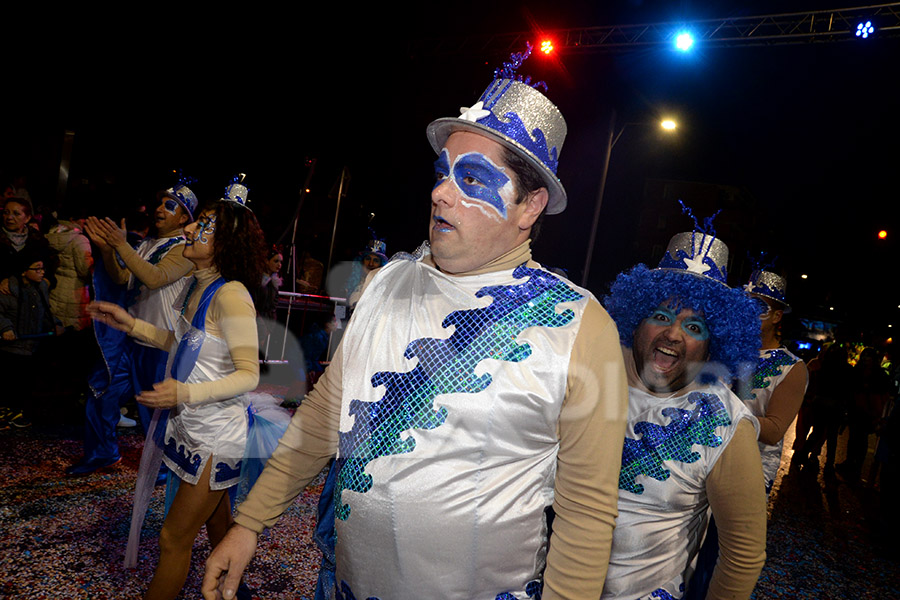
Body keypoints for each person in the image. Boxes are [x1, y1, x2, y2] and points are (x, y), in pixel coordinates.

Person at [204, 44, 629, 600]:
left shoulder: (581, 326)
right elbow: (325, 417)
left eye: (473, 178)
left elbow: (588, 512)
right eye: (442, 173)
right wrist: (249, 523)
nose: (439, 191)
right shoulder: (387, 283)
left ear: (530, 206)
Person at [87, 180, 273, 599]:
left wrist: (183, 394)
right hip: (190, 427)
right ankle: (234, 590)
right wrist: (129, 322)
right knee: (216, 523)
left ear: (225, 241)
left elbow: (248, 375)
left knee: (173, 539)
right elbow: (185, 343)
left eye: (203, 225)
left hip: (215, 437)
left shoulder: (232, 295)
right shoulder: (197, 286)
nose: (189, 230)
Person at [600, 225, 768, 600]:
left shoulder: (726, 422)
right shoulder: (593, 379)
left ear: (713, 346)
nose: (673, 334)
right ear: (637, 321)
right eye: (661, 316)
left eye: (693, 326)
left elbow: (743, 554)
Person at [66, 179, 198, 475]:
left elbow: (154, 277)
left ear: (183, 217)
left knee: (158, 411)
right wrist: (106, 251)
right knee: (102, 391)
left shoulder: (185, 250)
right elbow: (123, 279)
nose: (160, 209)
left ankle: (166, 465)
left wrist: (121, 245)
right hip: (130, 340)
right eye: (160, 203)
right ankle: (102, 453)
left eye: (170, 205)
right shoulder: (149, 244)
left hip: (159, 344)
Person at [736, 269, 808, 492]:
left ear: (777, 316)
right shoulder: (725, 351)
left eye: (759, 308)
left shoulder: (791, 367)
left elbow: (775, 430)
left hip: (748, 475)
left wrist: (720, 414)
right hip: (701, 467)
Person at [0, 251, 63, 429]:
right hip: (11, 346)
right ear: (23, 271)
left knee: (24, 383)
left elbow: (44, 311)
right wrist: (6, 328)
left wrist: (55, 324)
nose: (42, 272)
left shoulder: (40, 288)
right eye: (37, 269)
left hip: (30, 344)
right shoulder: (8, 291)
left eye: (42, 269)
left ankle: (18, 413)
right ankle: (5, 413)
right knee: (9, 383)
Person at [836, 347, 892, 483]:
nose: (867, 359)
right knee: (855, 438)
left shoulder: (878, 375)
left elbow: (883, 395)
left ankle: (855, 467)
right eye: (865, 356)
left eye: (869, 357)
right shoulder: (860, 373)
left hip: (868, 411)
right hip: (857, 409)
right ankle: (851, 464)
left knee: (860, 439)